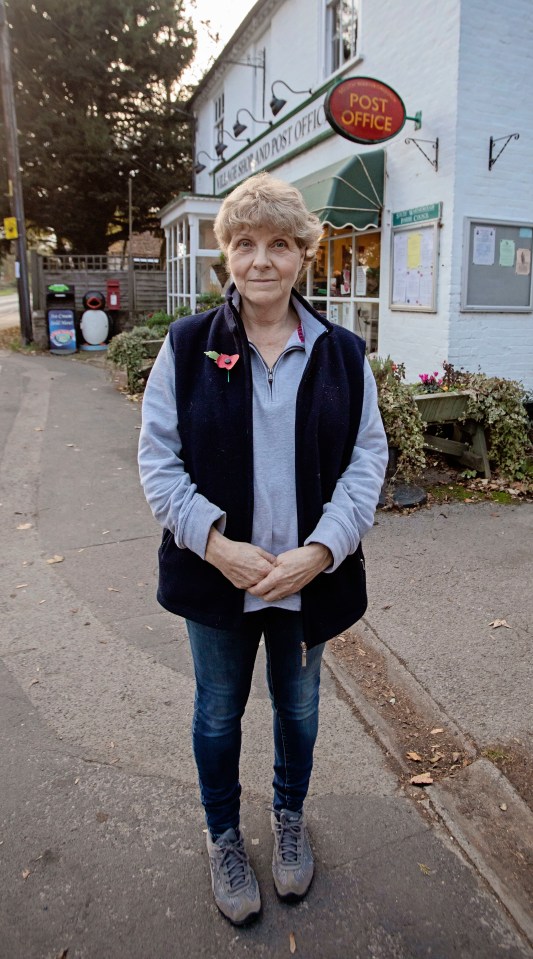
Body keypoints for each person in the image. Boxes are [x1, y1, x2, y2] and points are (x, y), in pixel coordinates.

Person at [138, 172, 388, 926]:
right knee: (218, 712)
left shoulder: (342, 353)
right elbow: (158, 461)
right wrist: (217, 546)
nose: (261, 260)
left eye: (279, 244)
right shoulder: (187, 347)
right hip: (220, 581)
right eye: (244, 244)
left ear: (302, 255)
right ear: (227, 256)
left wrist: (321, 551)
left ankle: (287, 819)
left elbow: (366, 459)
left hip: (305, 580)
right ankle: (222, 834)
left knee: (298, 709)